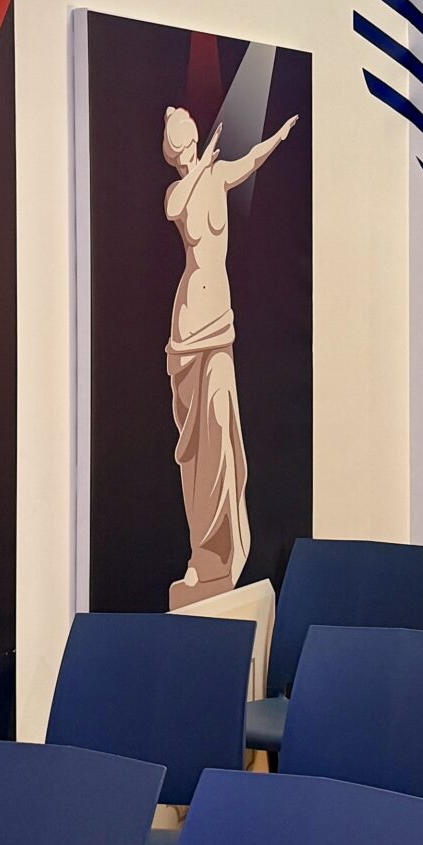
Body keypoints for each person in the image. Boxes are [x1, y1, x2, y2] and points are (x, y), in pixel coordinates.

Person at [162, 104, 298, 605]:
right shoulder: (180, 190)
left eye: (189, 137)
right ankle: (202, 555)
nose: (188, 146)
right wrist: (200, 167)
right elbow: (177, 207)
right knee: (195, 446)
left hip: (219, 323)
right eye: (181, 141)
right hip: (188, 328)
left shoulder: (217, 176)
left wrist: (277, 137)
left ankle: (221, 554)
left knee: (221, 428)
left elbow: (251, 161)